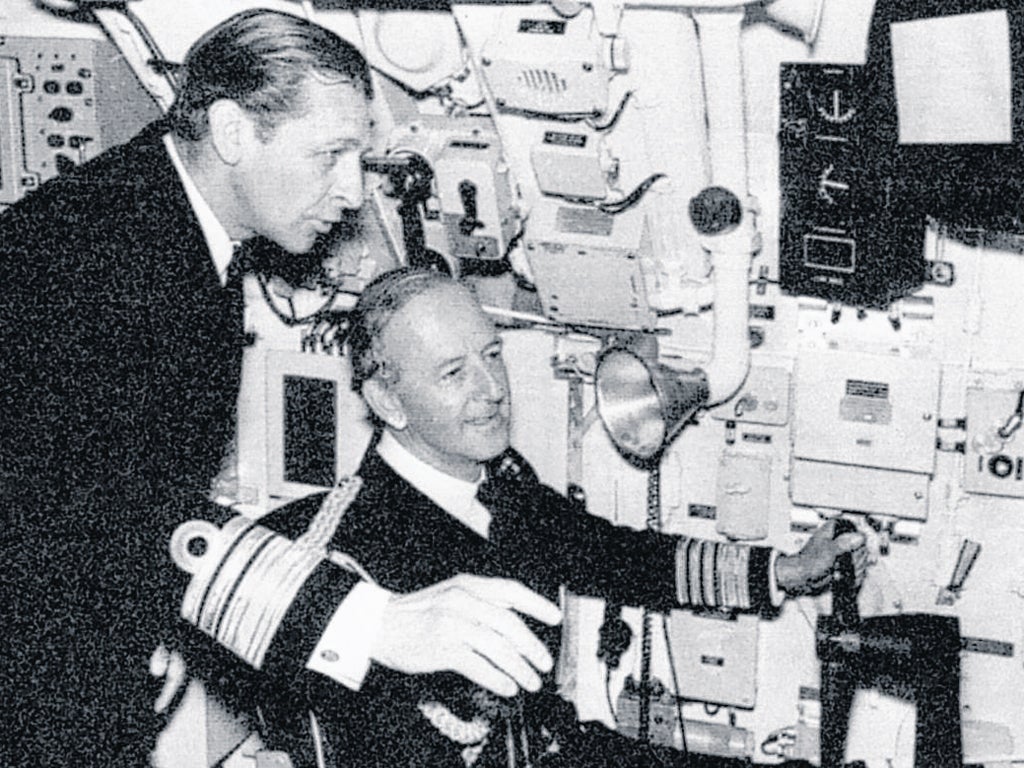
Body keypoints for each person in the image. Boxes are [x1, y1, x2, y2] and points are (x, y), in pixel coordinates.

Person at [0, 12, 559, 767]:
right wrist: (372, 623)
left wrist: (135, 624)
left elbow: (124, 495)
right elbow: (100, 497)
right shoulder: (95, 250)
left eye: (359, 159)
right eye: (330, 156)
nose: (352, 190)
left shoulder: (179, 233)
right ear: (232, 132)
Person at [249, 267, 867, 767]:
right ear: (388, 400)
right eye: (453, 373)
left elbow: (610, 555)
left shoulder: (500, 478)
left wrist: (783, 570)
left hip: (550, 745)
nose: (491, 388)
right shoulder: (339, 559)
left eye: (492, 354)